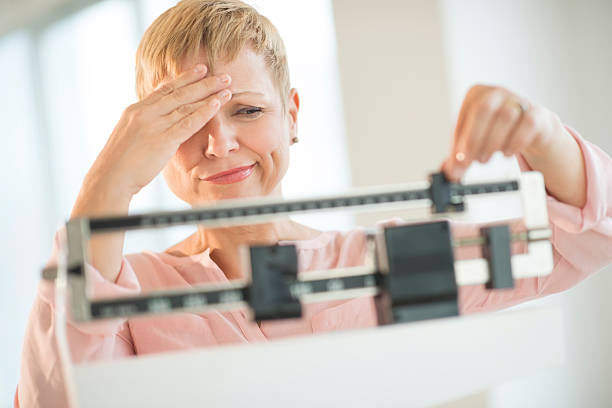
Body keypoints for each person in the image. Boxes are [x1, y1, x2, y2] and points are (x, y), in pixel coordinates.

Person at [15, 0, 612, 406]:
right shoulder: (128, 289)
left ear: (293, 115)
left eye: (247, 111)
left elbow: (582, 241)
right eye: (182, 121)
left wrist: (543, 135)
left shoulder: (376, 263)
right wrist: (104, 187)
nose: (219, 142)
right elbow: (56, 399)